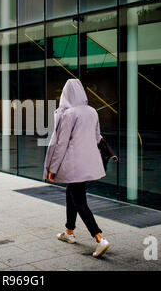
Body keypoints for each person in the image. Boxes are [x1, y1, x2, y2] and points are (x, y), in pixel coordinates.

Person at [44, 79, 111, 258]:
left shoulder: (68, 114)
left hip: (73, 165)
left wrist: (53, 167)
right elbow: (97, 138)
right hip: (88, 163)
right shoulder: (92, 111)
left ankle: (99, 238)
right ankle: (69, 232)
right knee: (71, 194)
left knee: (80, 201)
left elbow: (61, 144)